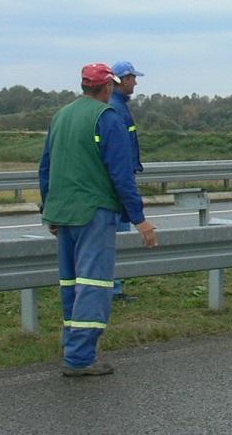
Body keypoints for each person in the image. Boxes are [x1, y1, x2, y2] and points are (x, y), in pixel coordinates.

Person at [38, 63, 157, 377]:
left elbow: (46, 166)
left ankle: (74, 346)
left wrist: (48, 208)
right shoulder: (107, 118)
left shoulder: (61, 116)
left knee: (71, 284)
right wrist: (139, 219)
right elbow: (122, 173)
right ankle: (79, 358)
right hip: (94, 212)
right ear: (107, 88)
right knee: (94, 285)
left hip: (63, 212)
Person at [107, 60, 144, 299]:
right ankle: (114, 288)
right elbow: (119, 153)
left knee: (118, 235)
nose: (136, 82)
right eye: (132, 78)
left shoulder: (119, 106)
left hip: (123, 176)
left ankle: (114, 286)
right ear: (121, 80)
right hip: (120, 181)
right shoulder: (116, 109)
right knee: (119, 236)